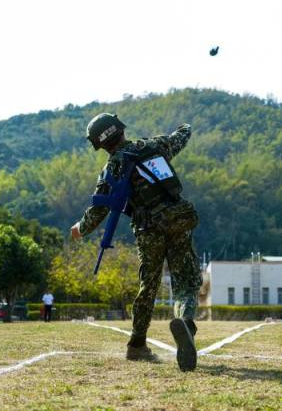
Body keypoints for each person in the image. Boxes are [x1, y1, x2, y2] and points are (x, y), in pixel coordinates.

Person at [71, 113, 202, 372]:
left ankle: (137, 344)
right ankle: (184, 320)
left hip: (147, 230)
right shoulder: (152, 146)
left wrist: (79, 229)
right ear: (120, 129)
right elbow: (180, 137)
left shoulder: (112, 168)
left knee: (148, 286)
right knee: (185, 282)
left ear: (100, 144)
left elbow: (99, 209)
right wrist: (185, 125)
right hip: (177, 222)